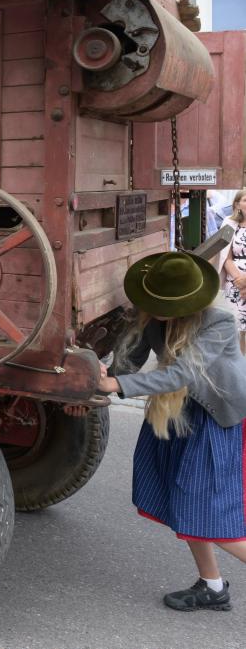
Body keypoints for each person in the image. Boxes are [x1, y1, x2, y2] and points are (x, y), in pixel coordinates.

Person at [98, 250, 246, 611]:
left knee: (214, 514)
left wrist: (116, 385)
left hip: (216, 418)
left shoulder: (219, 322)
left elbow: (183, 375)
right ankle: (212, 587)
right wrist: (96, 385)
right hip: (179, 413)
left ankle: (213, 586)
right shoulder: (152, 316)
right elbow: (127, 362)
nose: (153, 306)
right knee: (187, 506)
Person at [216, 188, 246, 353]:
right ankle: (241, 366)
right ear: (237, 204)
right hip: (234, 281)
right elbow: (225, 256)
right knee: (236, 328)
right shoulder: (229, 222)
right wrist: (239, 281)